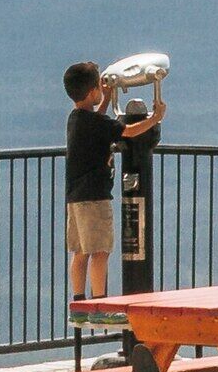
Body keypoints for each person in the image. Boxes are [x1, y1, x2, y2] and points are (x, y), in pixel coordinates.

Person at [62, 60, 163, 304]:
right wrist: (155, 118)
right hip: (95, 196)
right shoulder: (96, 123)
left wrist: (106, 99)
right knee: (100, 251)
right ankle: (100, 301)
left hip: (75, 197)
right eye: (99, 86)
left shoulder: (77, 119)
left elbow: (99, 124)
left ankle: (79, 299)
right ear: (91, 92)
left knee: (80, 251)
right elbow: (127, 131)